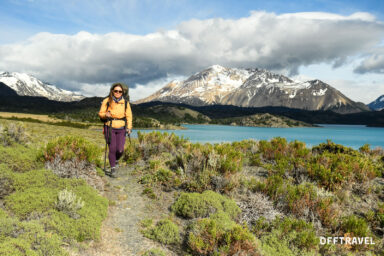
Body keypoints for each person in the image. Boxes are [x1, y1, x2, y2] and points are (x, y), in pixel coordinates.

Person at [99, 82, 132, 177]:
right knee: (112, 149)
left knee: (120, 149)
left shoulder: (126, 103)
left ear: (122, 92)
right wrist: (105, 115)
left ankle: (116, 160)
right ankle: (113, 169)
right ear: (112, 91)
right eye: (116, 91)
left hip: (122, 128)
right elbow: (101, 113)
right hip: (109, 127)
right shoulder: (107, 101)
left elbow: (129, 116)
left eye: (120, 91)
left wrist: (129, 128)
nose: (118, 92)